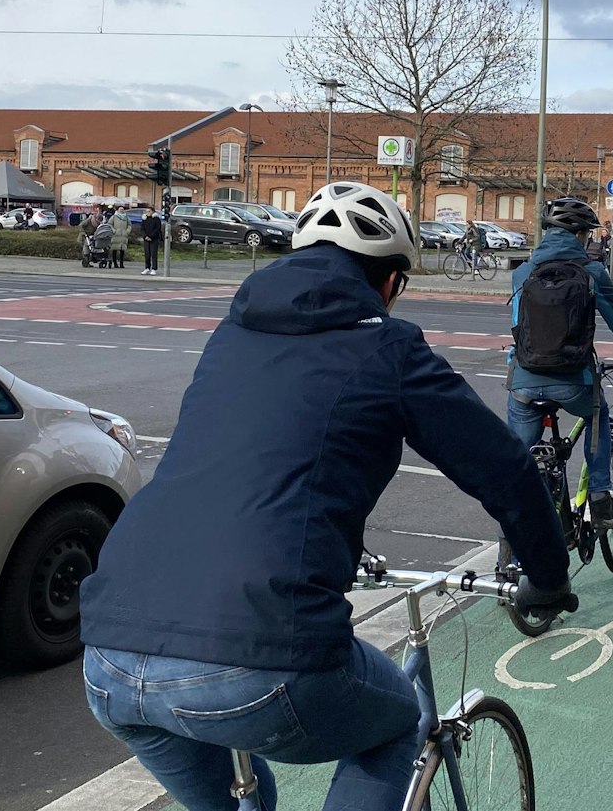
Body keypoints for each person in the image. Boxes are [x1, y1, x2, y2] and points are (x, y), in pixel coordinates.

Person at [78, 181, 574, 811]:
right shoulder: (387, 347)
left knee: (246, 800)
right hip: (258, 651)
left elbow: (257, 465)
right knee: (399, 724)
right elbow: (503, 468)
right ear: (390, 282)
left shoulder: (232, 335)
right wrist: (548, 575)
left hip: (112, 654)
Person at [507, 197, 613, 530]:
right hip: (573, 379)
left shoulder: (522, 272)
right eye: (587, 234)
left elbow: (516, 324)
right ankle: (600, 499)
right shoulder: (592, 272)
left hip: (523, 380)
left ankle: (510, 550)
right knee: (598, 414)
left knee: (519, 466)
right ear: (580, 235)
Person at [140, 208, 164, 276]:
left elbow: (157, 229)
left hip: (154, 239)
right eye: (146, 211)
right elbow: (142, 229)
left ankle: (154, 268)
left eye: (149, 211)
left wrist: (151, 236)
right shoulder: (144, 219)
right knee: (147, 254)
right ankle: (147, 268)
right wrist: (145, 236)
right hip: (146, 239)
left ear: (153, 212)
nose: (147, 212)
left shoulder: (156, 219)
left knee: (153, 254)